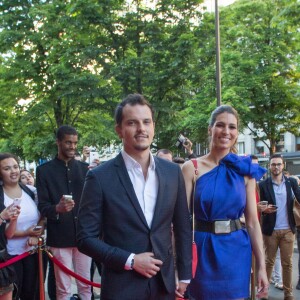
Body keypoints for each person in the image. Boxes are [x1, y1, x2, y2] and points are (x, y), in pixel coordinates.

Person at [77, 93, 192, 300]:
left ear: (153, 126)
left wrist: (184, 275)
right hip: (121, 287)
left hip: (164, 285)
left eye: (146, 122)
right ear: (119, 130)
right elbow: (85, 238)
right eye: (132, 122)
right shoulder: (99, 177)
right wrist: (130, 260)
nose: (141, 129)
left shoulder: (172, 172)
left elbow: (183, 226)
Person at [182, 105, 269, 299]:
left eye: (232, 127)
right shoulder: (191, 168)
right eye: (220, 125)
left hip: (236, 252)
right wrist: (178, 267)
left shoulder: (246, 170)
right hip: (202, 251)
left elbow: (253, 222)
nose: (226, 131)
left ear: (237, 133)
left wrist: (262, 267)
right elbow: (179, 222)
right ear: (210, 129)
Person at [36, 125, 92, 300]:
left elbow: (92, 204)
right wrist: (57, 209)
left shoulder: (85, 169)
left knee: (86, 285)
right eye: (68, 142)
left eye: (75, 143)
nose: (73, 147)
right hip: (59, 236)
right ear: (58, 142)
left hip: (84, 235)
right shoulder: (44, 171)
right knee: (63, 288)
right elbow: (42, 206)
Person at [0, 153, 43, 300]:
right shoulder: (1, 195)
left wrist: (36, 232)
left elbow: (42, 217)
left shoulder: (30, 191)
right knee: (14, 293)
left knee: (31, 292)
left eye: (15, 167)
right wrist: (26, 232)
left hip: (33, 251)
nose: (13, 171)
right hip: (10, 255)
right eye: (7, 168)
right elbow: (6, 232)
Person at [259, 154, 300, 300]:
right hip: (270, 230)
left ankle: (288, 294)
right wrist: (262, 209)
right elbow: (259, 206)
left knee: (287, 263)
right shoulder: (263, 184)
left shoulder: (291, 183)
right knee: (268, 262)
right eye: (273, 164)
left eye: (278, 164)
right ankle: (263, 292)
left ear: (283, 166)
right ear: (269, 166)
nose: (276, 167)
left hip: (288, 229)